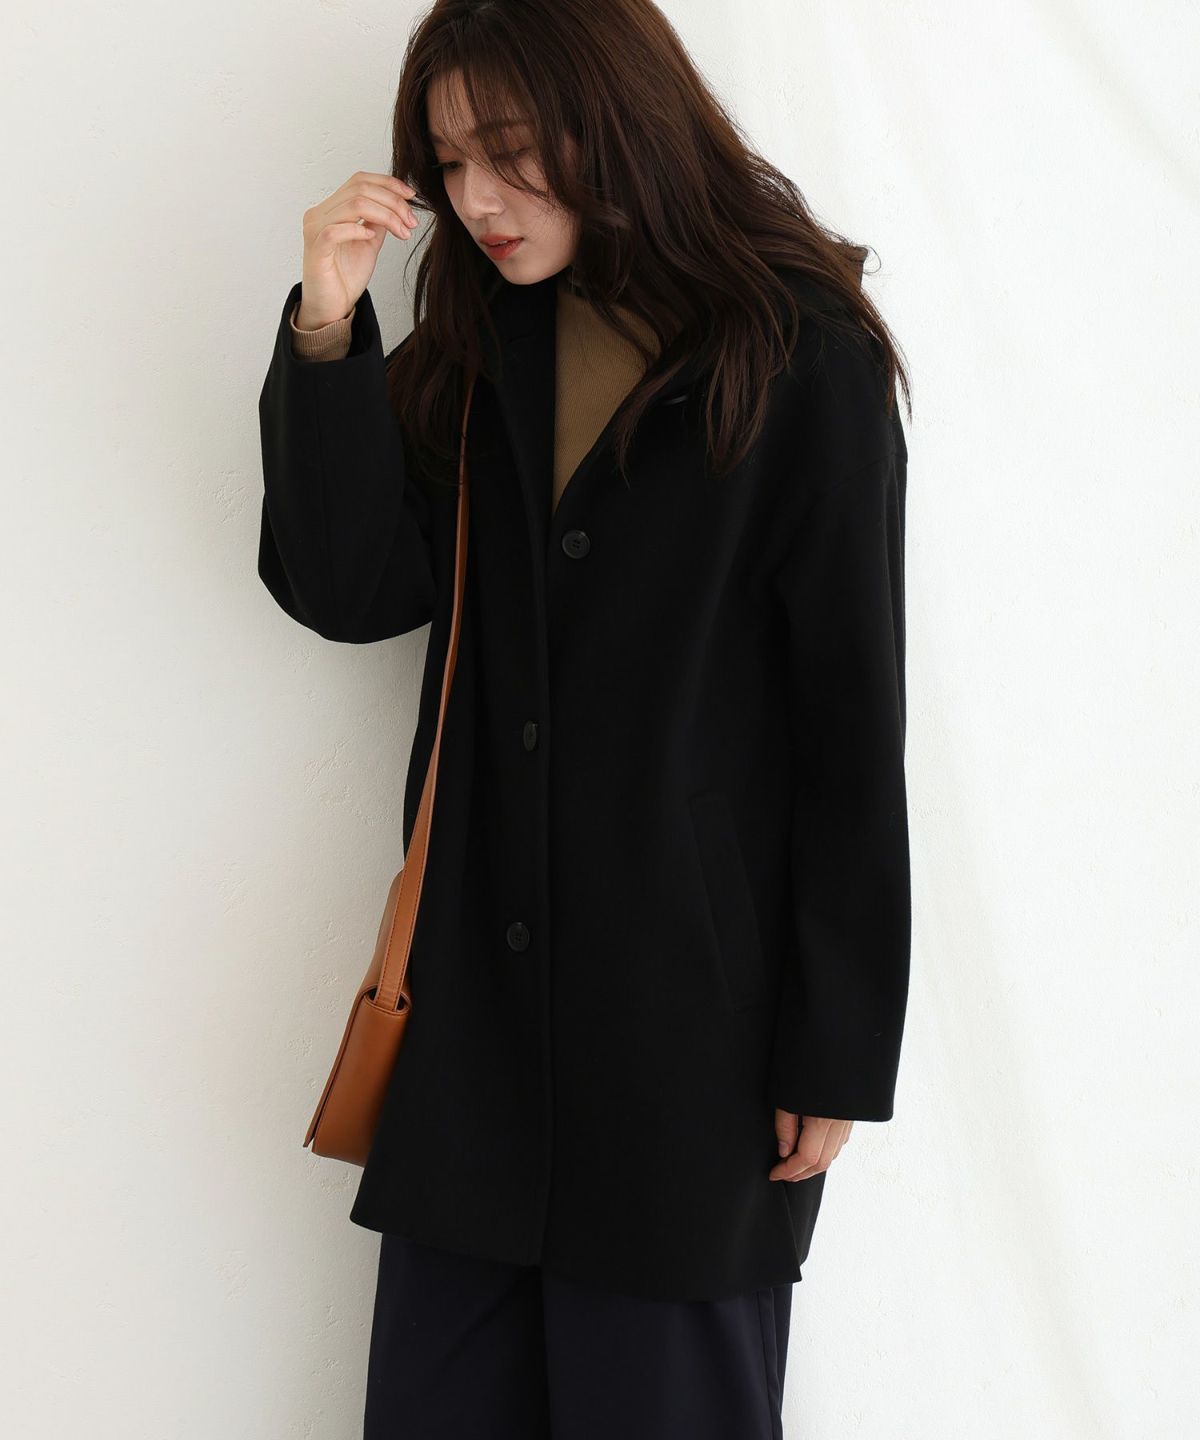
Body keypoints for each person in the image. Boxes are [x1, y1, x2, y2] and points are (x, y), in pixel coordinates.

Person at [256, 2, 912, 1435]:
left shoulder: (800, 353)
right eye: (448, 161)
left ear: (617, 116)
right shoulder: (479, 340)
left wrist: (837, 1042)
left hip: (694, 1046)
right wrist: (327, 323)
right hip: (472, 1043)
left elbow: (850, 718)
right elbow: (351, 588)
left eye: (509, 150)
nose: (477, 199)